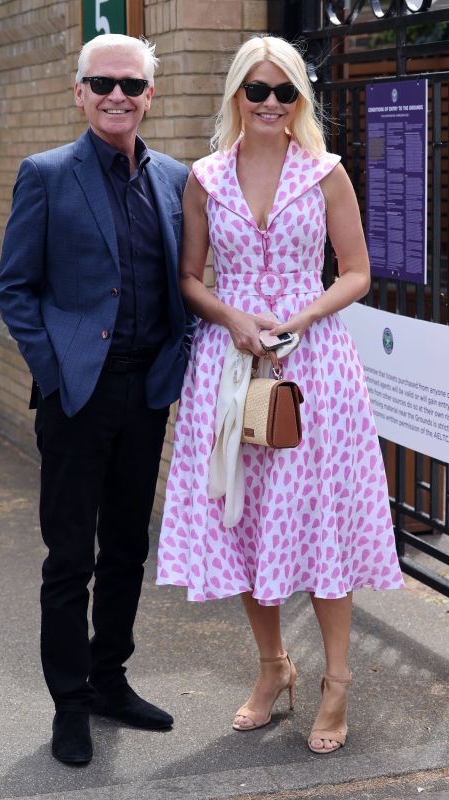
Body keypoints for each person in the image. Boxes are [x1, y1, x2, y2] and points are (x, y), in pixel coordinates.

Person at [156, 35, 404, 754]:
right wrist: (233, 319)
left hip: (313, 365)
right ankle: (272, 669)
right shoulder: (203, 176)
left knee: (319, 522)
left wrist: (297, 318)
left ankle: (336, 682)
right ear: (235, 94)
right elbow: (190, 277)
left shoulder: (325, 172)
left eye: (283, 92)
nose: (269, 104)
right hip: (228, 369)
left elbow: (354, 271)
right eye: (256, 90)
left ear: (299, 99)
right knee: (243, 522)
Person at [0, 33, 194, 765]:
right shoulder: (46, 174)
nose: (118, 95)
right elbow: (14, 289)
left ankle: (110, 680)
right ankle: (70, 702)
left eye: (132, 84)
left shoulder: (175, 178)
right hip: (76, 397)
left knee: (127, 548)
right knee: (69, 555)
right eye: (103, 82)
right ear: (78, 92)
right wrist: (53, 375)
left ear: (151, 95)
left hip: (146, 393)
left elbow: (189, 279)